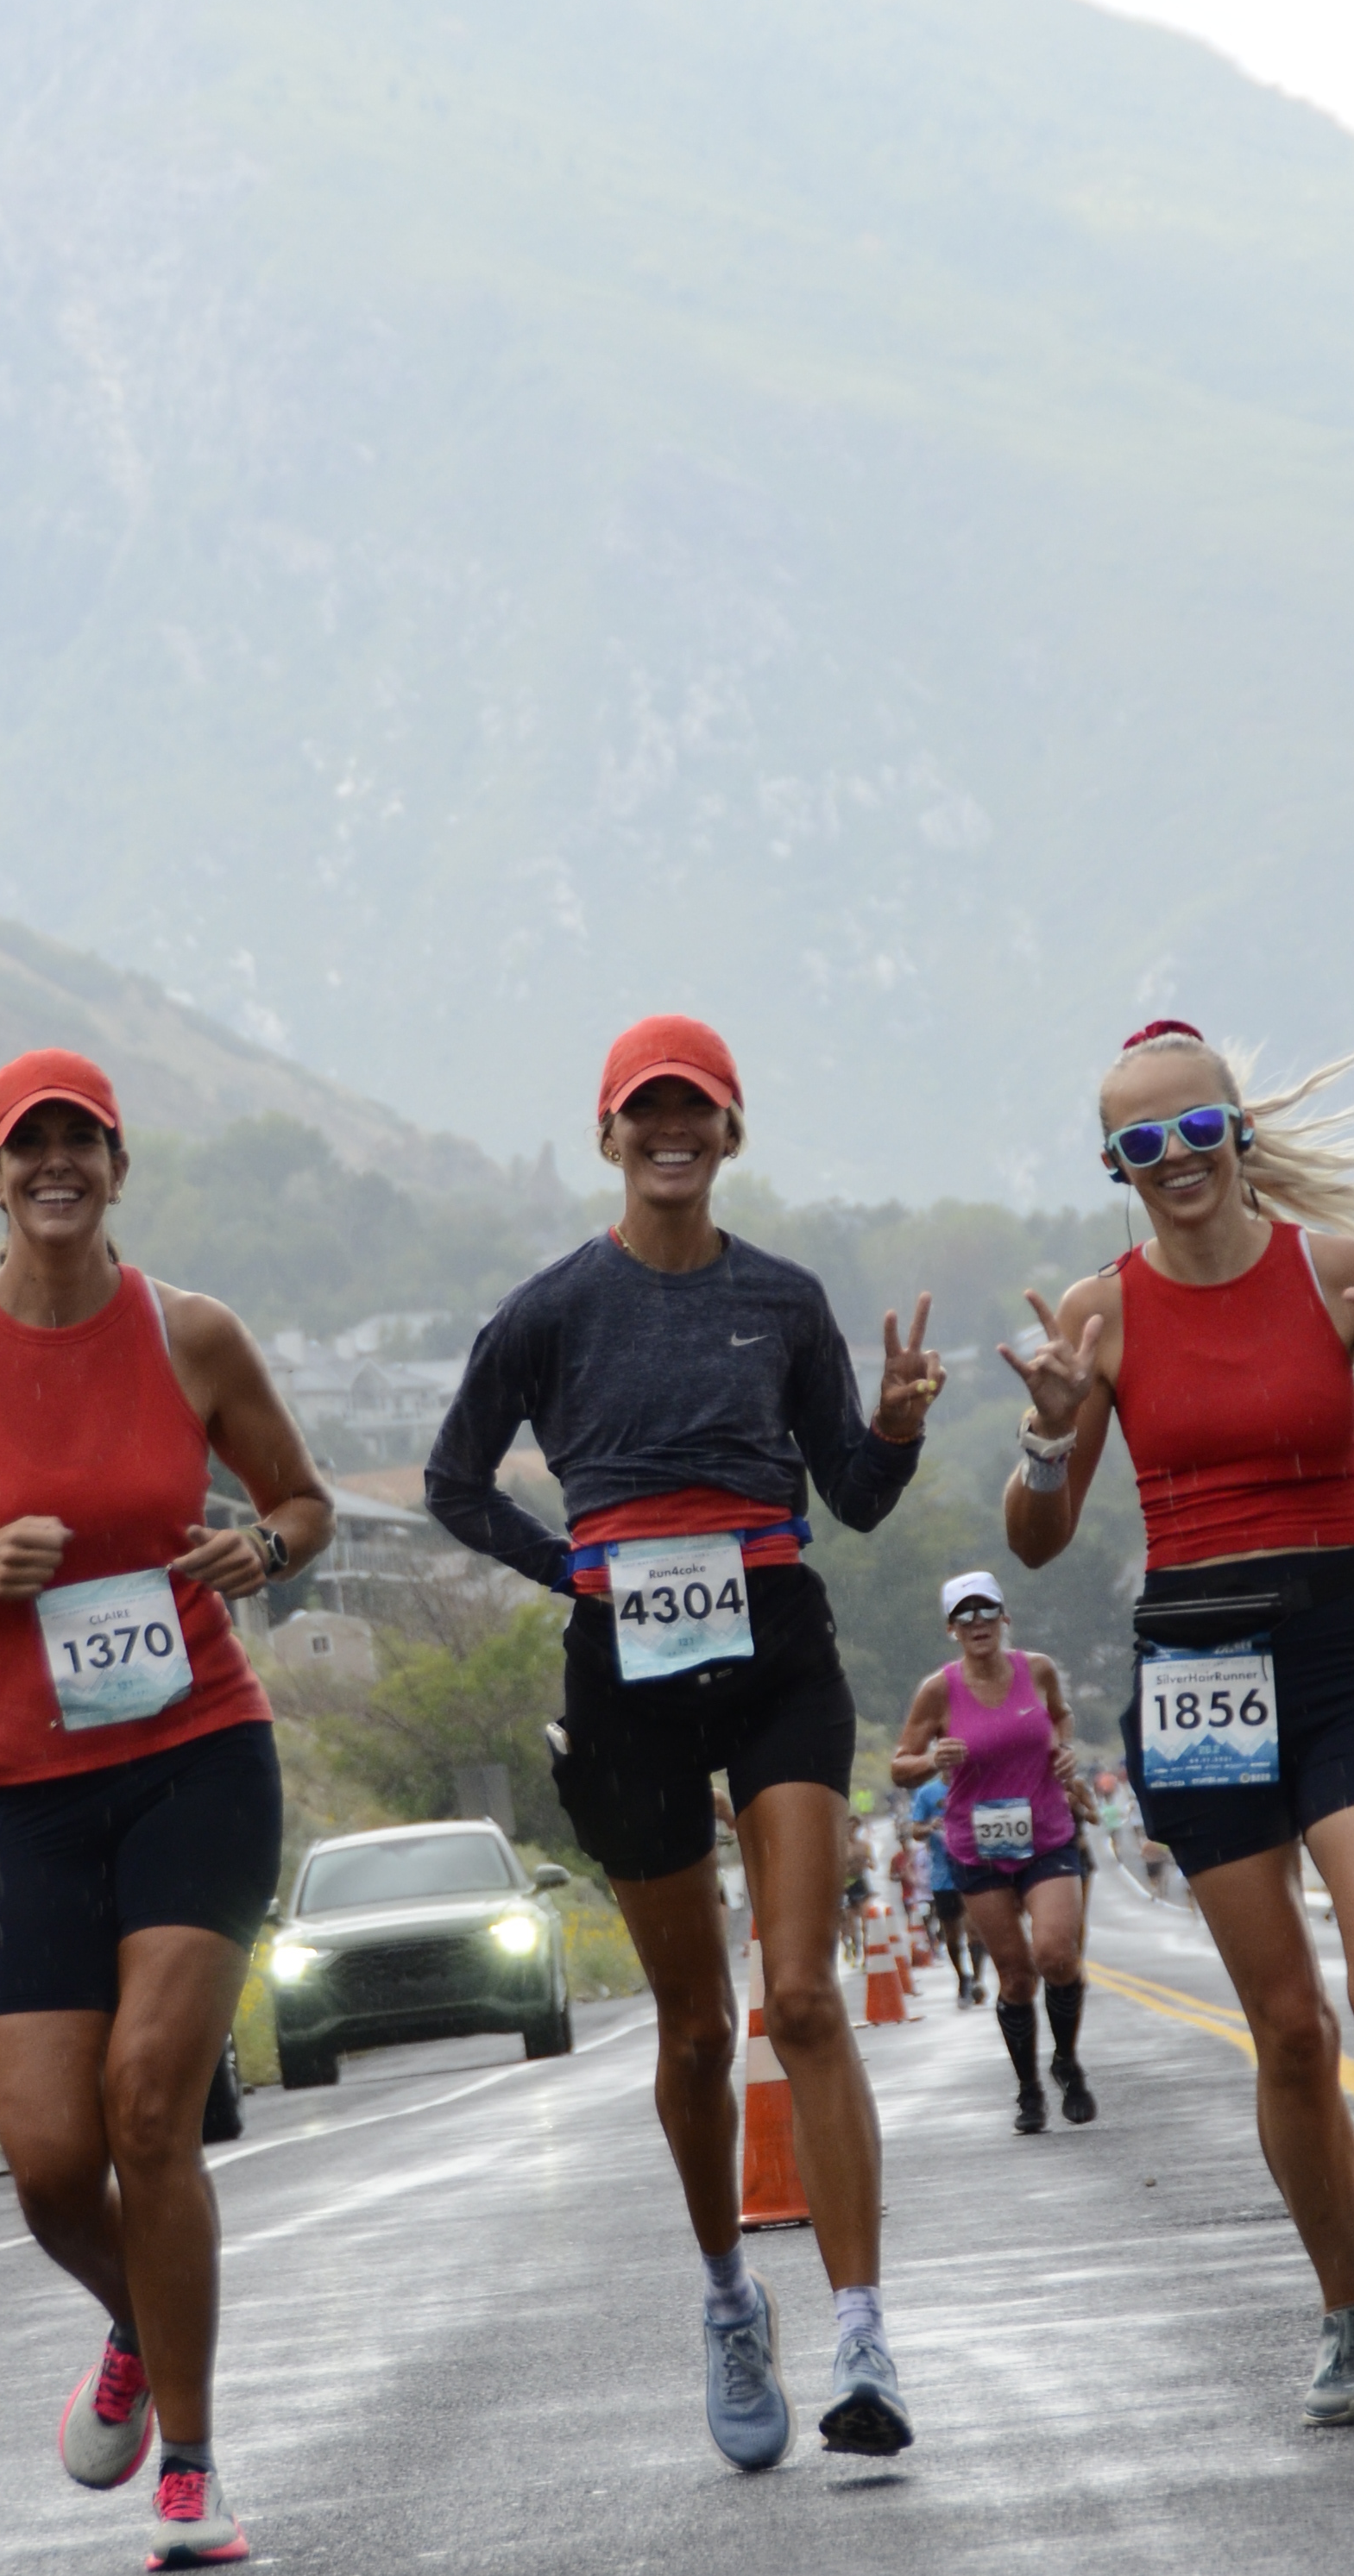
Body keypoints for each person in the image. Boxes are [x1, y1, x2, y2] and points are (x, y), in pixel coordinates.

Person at [0, 1046, 334, 2573]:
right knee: (47, 2162)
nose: (56, 1164)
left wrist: (261, 1551)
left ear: (116, 1167)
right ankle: (137, 2320)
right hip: (30, 1793)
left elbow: (302, 1503)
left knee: (149, 2103)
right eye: (27, 1144)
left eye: (81, 1141)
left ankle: (192, 2468)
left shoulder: (191, 1333)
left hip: (197, 1759)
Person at [425, 1011, 942, 2472]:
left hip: (776, 1651)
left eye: (695, 1108)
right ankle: (727, 2299)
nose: (671, 1131)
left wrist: (897, 1427)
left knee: (804, 1996)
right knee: (698, 2026)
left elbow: (854, 1496)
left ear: (729, 1132)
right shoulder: (548, 1310)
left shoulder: (781, 1298)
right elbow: (454, 1482)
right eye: (645, 1110)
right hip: (624, 1673)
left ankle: (862, 2335)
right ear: (607, 1135)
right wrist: (571, 1570)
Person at [998, 1022, 1354, 2428]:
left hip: (1336, 1649)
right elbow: (1038, 1540)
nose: (1175, 1159)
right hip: (1193, 1668)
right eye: (1141, 1143)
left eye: (1196, 1129)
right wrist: (1048, 1436)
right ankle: (1342, 2311)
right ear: (1112, 1165)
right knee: (1289, 2027)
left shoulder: (1330, 1269)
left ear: (1235, 1132)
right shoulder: (1099, 1313)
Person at [888, 1573, 1095, 2133]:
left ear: (1005, 1618)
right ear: (951, 1628)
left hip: (1046, 1833)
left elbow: (1060, 1715)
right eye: (964, 1614)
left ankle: (1066, 2061)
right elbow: (900, 1766)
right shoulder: (938, 1690)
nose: (976, 1623)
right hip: (975, 1847)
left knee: (1057, 1955)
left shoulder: (1038, 1670)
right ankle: (1029, 2090)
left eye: (986, 1611)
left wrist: (1064, 1750)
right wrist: (932, 1761)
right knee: (1016, 1975)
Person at [907, 1774, 983, 2001]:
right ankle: (962, 1977)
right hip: (943, 1875)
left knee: (974, 1929)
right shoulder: (927, 1793)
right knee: (952, 1934)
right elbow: (915, 1831)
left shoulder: (974, 1781)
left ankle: (977, 1980)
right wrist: (930, 1827)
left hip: (973, 1868)